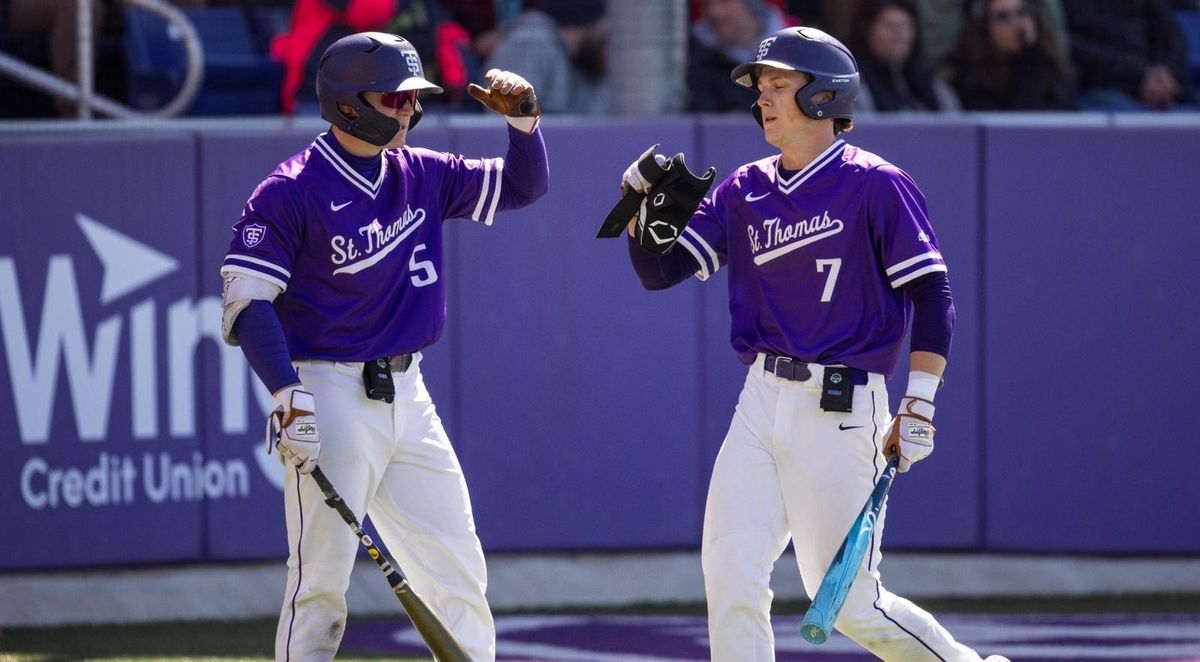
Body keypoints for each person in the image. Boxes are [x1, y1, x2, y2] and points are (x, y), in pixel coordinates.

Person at [613, 26, 1008, 661]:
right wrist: (639, 211)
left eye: (778, 85)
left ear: (824, 97)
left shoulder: (877, 184)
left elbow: (933, 296)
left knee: (852, 606)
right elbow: (659, 273)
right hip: (760, 401)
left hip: (843, 408)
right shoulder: (744, 188)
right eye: (760, 88)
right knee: (730, 572)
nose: (762, 98)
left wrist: (922, 402)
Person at [219, 31, 547, 661]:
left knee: (458, 571)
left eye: (411, 100)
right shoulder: (290, 189)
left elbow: (522, 187)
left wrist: (526, 125)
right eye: (393, 98)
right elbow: (248, 302)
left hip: (409, 394)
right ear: (348, 102)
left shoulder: (422, 171)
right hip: (328, 390)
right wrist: (289, 395)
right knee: (320, 587)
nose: (407, 110)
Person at [942, 0, 1076, 110]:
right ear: (985, 27)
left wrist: (1031, 57)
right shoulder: (970, 79)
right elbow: (1019, 129)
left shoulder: (1055, 71)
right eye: (1003, 16)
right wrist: (1029, 61)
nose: (1016, 23)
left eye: (1022, 12)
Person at [1061, 0, 1195, 110]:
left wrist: (1164, 71)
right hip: (1100, 85)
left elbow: (1170, 36)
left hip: (1159, 82)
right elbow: (1068, 46)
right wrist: (1139, 76)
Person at [484, 0, 609, 114]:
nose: (609, 46)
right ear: (589, 24)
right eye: (604, 36)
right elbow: (505, 122)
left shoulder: (589, 60)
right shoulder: (529, 46)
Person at [849, 0, 960, 112]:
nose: (899, 33)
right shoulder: (855, 88)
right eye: (890, 26)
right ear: (867, 31)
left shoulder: (935, 88)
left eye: (906, 25)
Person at [687, 0, 788, 112]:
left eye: (725, 3)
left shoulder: (791, 55)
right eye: (707, 5)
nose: (715, 12)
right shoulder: (693, 57)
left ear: (753, 6)